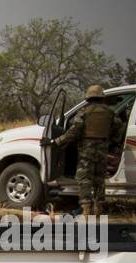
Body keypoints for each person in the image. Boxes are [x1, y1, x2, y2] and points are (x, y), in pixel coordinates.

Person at [47, 85, 116, 217]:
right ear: (102, 97)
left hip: (87, 150)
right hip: (102, 148)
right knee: (99, 179)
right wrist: (111, 141)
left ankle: (86, 209)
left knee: (84, 178)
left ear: (88, 98)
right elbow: (118, 128)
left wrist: (56, 141)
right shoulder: (110, 112)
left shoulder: (84, 112)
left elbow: (73, 132)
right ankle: (98, 208)